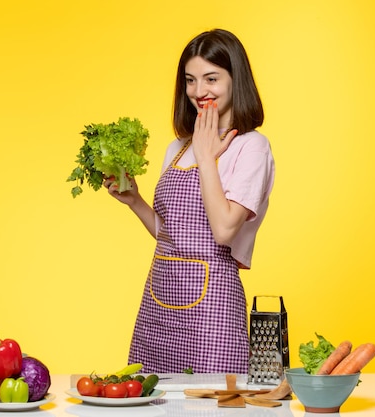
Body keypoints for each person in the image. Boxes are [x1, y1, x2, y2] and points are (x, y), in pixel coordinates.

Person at [105, 29, 275, 374]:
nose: (199, 92)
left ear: (235, 79)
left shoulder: (251, 147)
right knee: (151, 403)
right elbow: (172, 235)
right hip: (159, 304)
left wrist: (208, 157)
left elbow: (225, 230)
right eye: (190, 80)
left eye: (211, 78)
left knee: (210, 407)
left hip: (212, 310)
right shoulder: (177, 147)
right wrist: (135, 201)